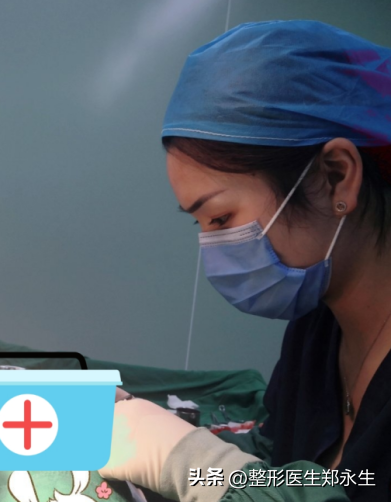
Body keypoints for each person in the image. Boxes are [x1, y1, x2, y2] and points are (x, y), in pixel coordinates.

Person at [100, 20, 391, 502]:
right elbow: (287, 469)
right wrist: (163, 437)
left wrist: (190, 462)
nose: (214, 250)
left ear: (337, 177)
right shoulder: (317, 330)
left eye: (220, 218)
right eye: (201, 224)